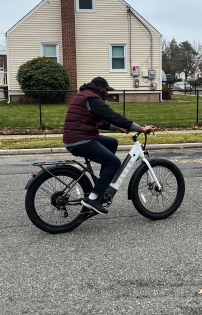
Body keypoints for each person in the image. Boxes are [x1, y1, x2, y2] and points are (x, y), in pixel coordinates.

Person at [63, 76, 155, 214]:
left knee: (112, 143)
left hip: (79, 137)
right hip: (81, 140)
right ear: (101, 89)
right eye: (107, 91)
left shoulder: (84, 95)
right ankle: (93, 198)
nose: (108, 94)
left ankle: (102, 184)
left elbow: (100, 121)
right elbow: (111, 115)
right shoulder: (93, 98)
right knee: (114, 163)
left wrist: (117, 128)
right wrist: (140, 128)